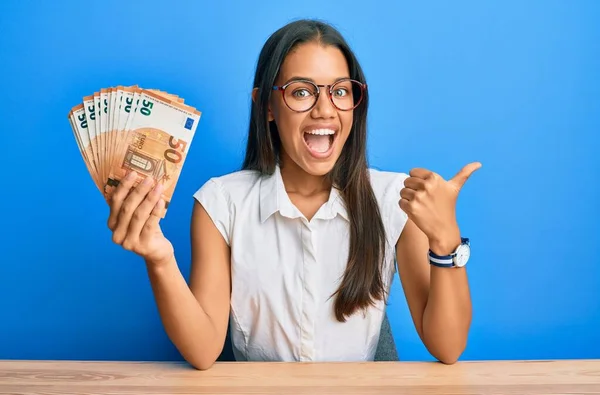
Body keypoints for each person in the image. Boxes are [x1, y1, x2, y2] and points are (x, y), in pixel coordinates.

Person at [106, 19, 480, 370]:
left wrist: (445, 240)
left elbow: (447, 347)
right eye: (301, 92)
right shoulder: (221, 204)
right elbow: (203, 351)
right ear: (266, 106)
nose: (324, 110)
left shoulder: (393, 200)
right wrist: (159, 258)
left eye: (340, 91)